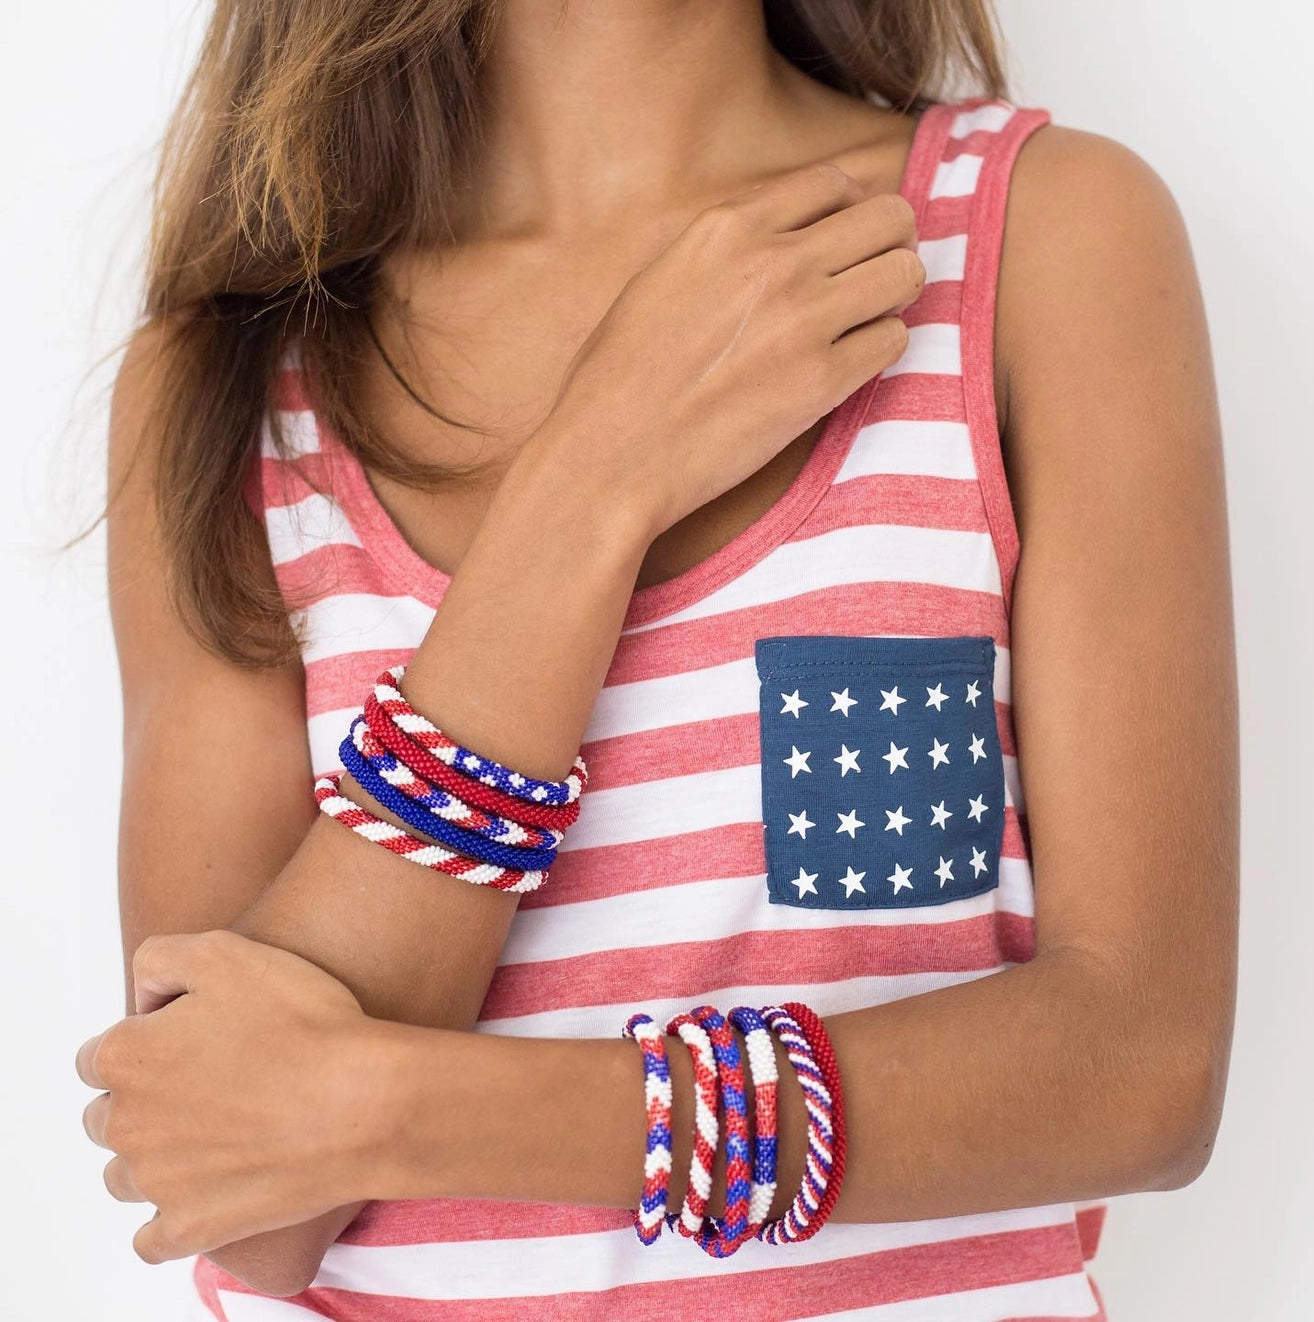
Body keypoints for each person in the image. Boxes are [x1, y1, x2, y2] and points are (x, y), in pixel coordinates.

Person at [74, 1, 1239, 1318]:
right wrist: (596, 476)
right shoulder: (229, 375)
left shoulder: (1037, 235)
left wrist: (393, 1105)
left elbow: (1140, 1068)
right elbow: (235, 1186)